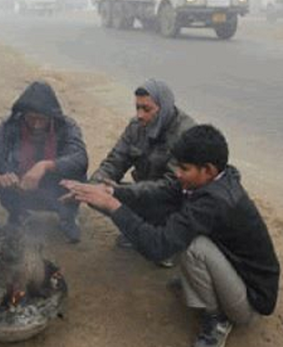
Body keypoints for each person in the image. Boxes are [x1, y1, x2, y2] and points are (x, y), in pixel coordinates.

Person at [63, 125, 280, 347]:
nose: (178, 173)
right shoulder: (211, 182)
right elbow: (160, 193)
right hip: (236, 273)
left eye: (184, 168)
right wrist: (113, 191)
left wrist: (113, 207)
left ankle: (218, 319)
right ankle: (204, 286)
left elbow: (158, 247)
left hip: (251, 301)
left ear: (208, 170)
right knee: (178, 227)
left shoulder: (214, 201)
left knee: (192, 246)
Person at [0, 81, 88, 243]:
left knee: (77, 173)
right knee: (1, 174)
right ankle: (18, 213)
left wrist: (45, 166)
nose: (36, 125)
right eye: (31, 118)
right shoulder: (9, 126)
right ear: (23, 115)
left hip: (56, 187)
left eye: (41, 119)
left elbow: (80, 158)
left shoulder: (66, 126)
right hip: (21, 186)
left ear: (51, 117)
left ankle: (67, 217)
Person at [90, 79, 195, 252]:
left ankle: (167, 241)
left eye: (146, 109)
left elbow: (172, 186)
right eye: (137, 108)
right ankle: (138, 231)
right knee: (95, 194)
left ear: (163, 107)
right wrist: (96, 184)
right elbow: (115, 160)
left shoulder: (185, 133)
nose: (140, 115)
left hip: (173, 201)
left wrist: (119, 191)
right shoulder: (136, 127)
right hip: (144, 192)